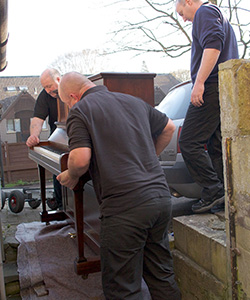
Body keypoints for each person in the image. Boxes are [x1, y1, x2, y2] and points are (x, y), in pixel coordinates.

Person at [56, 72, 181, 300]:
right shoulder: (132, 101)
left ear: (73, 97)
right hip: (160, 199)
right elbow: (169, 128)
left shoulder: (81, 110)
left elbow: (81, 159)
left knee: (123, 288)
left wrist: (69, 175)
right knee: (161, 276)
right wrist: (148, 157)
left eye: (66, 102)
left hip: (125, 207)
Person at [175, 0, 239, 213]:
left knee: (188, 141)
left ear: (188, 2)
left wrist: (199, 82)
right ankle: (224, 198)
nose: (183, 18)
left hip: (211, 85)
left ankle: (213, 190)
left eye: (181, 11)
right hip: (222, 86)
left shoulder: (205, 12)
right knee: (215, 145)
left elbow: (213, 45)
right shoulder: (216, 13)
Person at [26, 68, 63, 210]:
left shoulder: (71, 88)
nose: (47, 90)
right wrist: (34, 135)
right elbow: (37, 119)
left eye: (49, 86)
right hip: (57, 138)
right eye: (44, 87)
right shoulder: (45, 96)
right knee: (57, 170)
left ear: (58, 80)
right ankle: (62, 208)